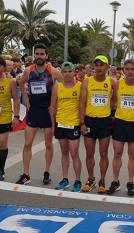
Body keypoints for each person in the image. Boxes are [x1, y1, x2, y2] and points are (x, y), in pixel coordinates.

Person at [16, 43, 61, 185]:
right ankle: (26, 174)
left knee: (48, 144)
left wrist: (56, 104)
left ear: (46, 56)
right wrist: (26, 98)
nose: (39, 56)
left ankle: (46, 172)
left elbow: (66, 84)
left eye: (42, 54)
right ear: (35, 55)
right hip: (34, 111)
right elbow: (21, 83)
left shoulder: (53, 71)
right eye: (37, 54)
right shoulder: (29, 70)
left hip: (47, 112)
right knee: (27, 143)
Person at [107, 59, 134, 196]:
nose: (129, 72)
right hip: (119, 122)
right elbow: (113, 101)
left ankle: (130, 183)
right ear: (123, 70)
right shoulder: (118, 84)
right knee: (117, 153)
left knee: (132, 154)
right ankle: (115, 181)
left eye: (132, 69)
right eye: (127, 69)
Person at [79, 55, 117, 194]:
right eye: (97, 65)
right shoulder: (87, 82)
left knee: (103, 153)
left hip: (104, 121)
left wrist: (112, 111)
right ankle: (90, 179)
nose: (99, 67)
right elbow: (82, 103)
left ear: (107, 67)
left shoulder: (112, 82)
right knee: (89, 153)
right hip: (90, 121)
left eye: (102, 65)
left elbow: (116, 99)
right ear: (94, 67)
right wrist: (82, 122)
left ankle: (102, 180)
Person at [51, 62, 83, 192]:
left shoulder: (80, 86)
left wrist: (82, 123)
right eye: (65, 72)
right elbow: (53, 107)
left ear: (74, 72)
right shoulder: (57, 87)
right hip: (60, 123)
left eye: (70, 71)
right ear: (62, 74)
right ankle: (65, 179)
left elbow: (83, 106)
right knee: (64, 152)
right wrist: (53, 126)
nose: (67, 74)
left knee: (74, 153)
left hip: (74, 123)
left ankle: (78, 180)